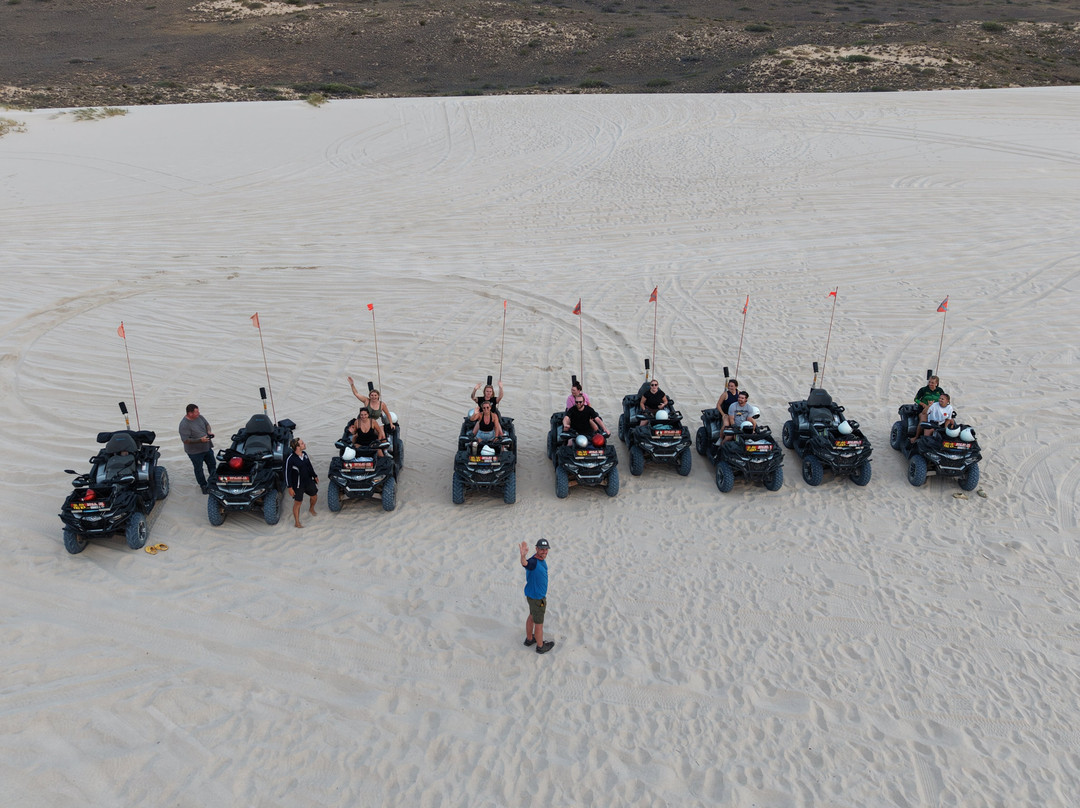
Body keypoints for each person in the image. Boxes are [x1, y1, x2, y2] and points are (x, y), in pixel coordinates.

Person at [520, 538, 554, 654]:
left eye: (546, 549)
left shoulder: (540, 559)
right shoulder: (533, 562)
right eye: (541, 549)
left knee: (531, 616)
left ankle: (529, 639)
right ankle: (540, 646)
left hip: (531, 596)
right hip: (537, 599)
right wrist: (523, 556)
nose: (544, 552)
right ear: (536, 549)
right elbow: (526, 564)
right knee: (539, 624)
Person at [179, 403, 215, 494]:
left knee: (212, 464)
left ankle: (214, 481)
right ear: (190, 413)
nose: (199, 413)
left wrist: (209, 431)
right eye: (196, 412)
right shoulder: (184, 424)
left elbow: (207, 424)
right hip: (195, 452)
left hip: (207, 447)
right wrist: (200, 440)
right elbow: (185, 440)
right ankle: (203, 485)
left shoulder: (200, 417)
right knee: (198, 468)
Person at [285, 437, 318, 528]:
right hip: (298, 485)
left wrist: (314, 476)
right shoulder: (290, 459)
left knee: (314, 496)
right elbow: (287, 474)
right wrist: (290, 487)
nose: (304, 444)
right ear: (297, 447)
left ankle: (311, 509)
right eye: (302, 443)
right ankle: (297, 522)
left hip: (308, 481)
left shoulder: (305, 454)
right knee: (298, 503)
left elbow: (309, 466)